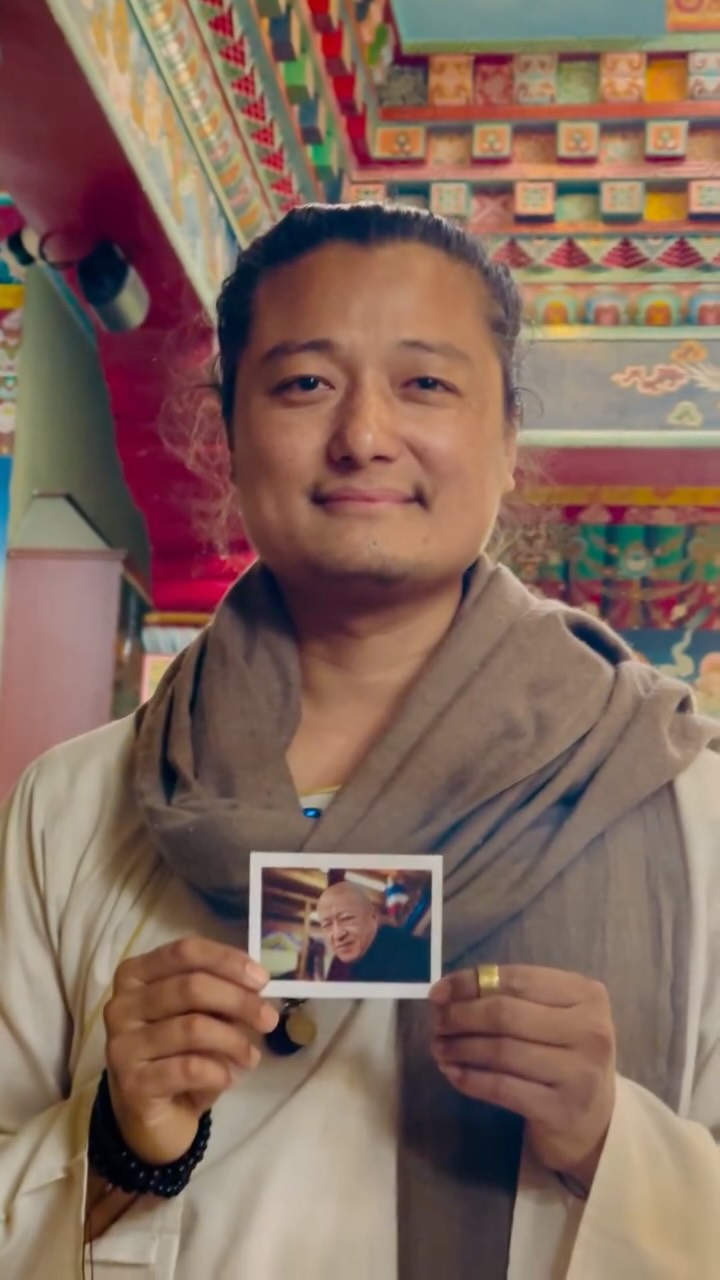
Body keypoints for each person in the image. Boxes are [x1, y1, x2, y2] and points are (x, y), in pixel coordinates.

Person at [0, 202, 718, 1280]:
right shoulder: (78, 802)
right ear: (230, 433)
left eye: (426, 382)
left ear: (508, 437)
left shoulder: (675, 799)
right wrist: (118, 1139)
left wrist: (609, 1137)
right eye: (304, 383)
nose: (366, 435)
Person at [317, 879, 430, 982]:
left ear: (373, 917)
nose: (338, 934)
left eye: (346, 919)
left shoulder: (415, 956)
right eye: (327, 925)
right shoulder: (338, 965)